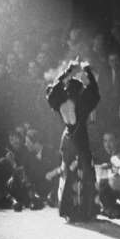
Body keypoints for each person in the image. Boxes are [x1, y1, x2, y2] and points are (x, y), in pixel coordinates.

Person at [45, 59, 100, 222]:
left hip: (67, 139)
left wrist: (68, 72)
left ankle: (69, 210)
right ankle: (84, 211)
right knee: (85, 173)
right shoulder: (82, 103)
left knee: (68, 172)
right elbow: (95, 92)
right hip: (80, 139)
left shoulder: (59, 101)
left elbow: (52, 90)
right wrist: (87, 70)